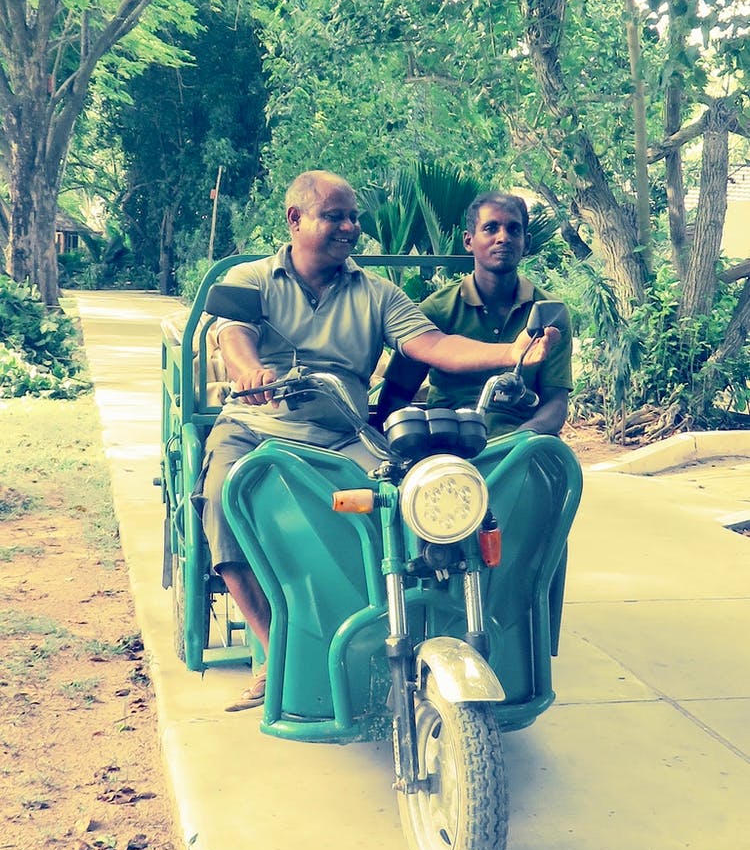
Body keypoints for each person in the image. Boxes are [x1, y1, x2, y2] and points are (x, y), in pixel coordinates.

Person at [193, 171, 559, 711]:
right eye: (334, 216)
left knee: (406, 505)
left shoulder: (377, 293)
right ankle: (277, 654)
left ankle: (399, 631)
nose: (349, 227)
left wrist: (512, 355)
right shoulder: (253, 279)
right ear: (295, 221)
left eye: (354, 216)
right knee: (225, 501)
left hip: (342, 429)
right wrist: (248, 372)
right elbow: (234, 333)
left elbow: (434, 344)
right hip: (255, 425)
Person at [374, 192, 573, 438]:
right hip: (448, 445)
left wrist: (521, 440)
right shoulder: (437, 310)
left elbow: (555, 403)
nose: (503, 238)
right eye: (490, 228)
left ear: (526, 242)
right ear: (468, 241)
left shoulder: (550, 312)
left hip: (522, 444)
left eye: (514, 230)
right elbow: (395, 397)